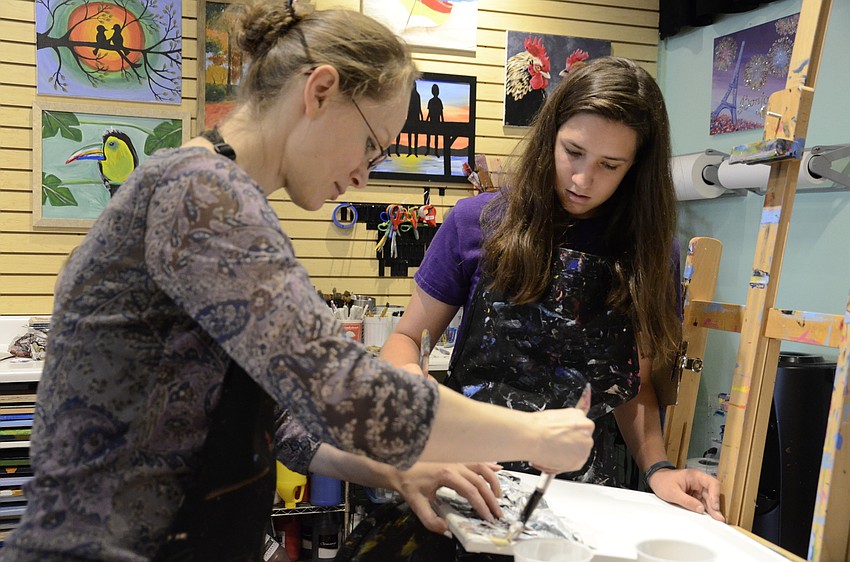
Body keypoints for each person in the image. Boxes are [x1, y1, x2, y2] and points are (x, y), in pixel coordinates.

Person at [0, 4, 597, 561]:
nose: (364, 175)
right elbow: (347, 391)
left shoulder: (222, 195)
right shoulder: (200, 195)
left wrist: (396, 470)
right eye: (369, 144)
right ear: (320, 91)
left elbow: (284, 420)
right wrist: (536, 433)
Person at [381, 56, 725, 524]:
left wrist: (659, 468)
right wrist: (414, 390)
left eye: (610, 164)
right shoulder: (474, 222)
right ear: (550, 137)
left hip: (584, 496)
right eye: (573, 152)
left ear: (636, 168)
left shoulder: (650, 252)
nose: (583, 180)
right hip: (470, 473)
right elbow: (404, 340)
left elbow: (634, 385)